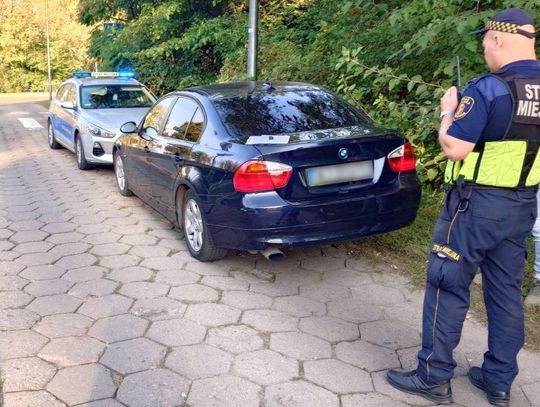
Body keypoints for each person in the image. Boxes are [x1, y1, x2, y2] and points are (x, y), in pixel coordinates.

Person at [386, 8, 540, 407]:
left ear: (498, 40)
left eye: (485, 39)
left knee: (446, 283)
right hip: (522, 207)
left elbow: (455, 148)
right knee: (506, 293)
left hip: (474, 209)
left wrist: (447, 112)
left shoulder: (488, 89)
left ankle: (432, 377)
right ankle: (498, 381)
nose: (484, 47)